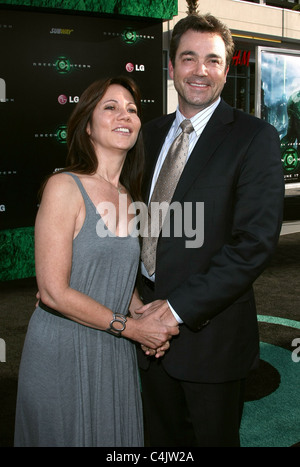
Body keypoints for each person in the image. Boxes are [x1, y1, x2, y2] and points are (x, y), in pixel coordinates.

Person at [135, 13, 285, 447]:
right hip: (143, 334)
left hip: (209, 341)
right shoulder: (148, 134)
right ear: (171, 66)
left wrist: (173, 311)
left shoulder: (254, 138)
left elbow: (252, 245)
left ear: (226, 68)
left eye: (213, 60)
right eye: (189, 58)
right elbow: (130, 221)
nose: (200, 70)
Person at [14, 77, 179, 447]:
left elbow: (116, 277)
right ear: (87, 125)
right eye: (111, 107)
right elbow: (53, 291)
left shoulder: (130, 195)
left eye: (132, 109)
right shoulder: (63, 187)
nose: (126, 115)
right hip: (63, 347)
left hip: (113, 347)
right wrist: (135, 330)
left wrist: (144, 314)